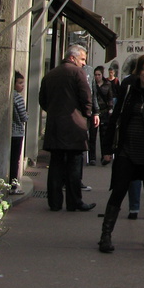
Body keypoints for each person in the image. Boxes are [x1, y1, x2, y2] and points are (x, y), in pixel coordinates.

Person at [98, 54, 144, 253]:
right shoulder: (129, 90)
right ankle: (105, 235)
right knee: (118, 191)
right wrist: (107, 150)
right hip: (127, 150)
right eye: (143, 69)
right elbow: (115, 119)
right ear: (138, 71)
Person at [39, 44, 99, 212]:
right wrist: (86, 114)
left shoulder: (50, 74)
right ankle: (74, 202)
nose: (83, 63)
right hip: (73, 126)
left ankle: (55, 202)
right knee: (74, 165)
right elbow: (86, 96)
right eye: (82, 59)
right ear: (73, 58)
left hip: (54, 126)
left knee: (56, 165)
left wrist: (53, 111)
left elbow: (43, 100)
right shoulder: (77, 73)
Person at [9, 71, 28, 192]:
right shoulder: (18, 98)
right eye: (20, 83)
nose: (22, 86)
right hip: (17, 132)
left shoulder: (11, 97)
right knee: (15, 160)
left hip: (10, 132)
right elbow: (24, 117)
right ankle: (13, 185)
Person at [94, 67, 116, 165]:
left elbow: (110, 97)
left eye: (99, 74)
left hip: (104, 111)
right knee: (92, 135)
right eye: (95, 75)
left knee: (104, 134)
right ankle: (92, 157)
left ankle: (104, 156)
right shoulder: (93, 84)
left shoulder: (107, 84)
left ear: (102, 75)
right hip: (94, 111)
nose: (97, 76)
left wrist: (110, 108)